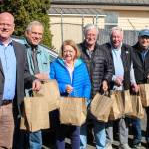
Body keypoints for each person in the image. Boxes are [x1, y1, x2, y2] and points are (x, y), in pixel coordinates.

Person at [0, 12, 41, 149]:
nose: (5, 27)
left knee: (6, 145)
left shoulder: (20, 49)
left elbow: (23, 72)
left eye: (8, 24)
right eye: (2, 24)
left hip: (10, 107)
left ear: (13, 27)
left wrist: (34, 79)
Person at [102, 26, 138, 149]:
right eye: (114, 37)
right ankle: (108, 142)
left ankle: (123, 143)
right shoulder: (104, 49)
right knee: (110, 116)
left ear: (122, 37)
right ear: (110, 37)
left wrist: (133, 82)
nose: (116, 39)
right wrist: (113, 78)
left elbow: (131, 68)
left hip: (125, 88)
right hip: (110, 88)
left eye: (118, 37)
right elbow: (102, 69)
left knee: (124, 116)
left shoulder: (128, 49)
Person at [50, 39, 91, 149]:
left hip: (77, 103)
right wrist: (63, 87)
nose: (68, 53)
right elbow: (50, 83)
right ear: (62, 52)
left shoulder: (81, 65)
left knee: (75, 133)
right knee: (60, 134)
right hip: (61, 103)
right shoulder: (55, 65)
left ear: (75, 52)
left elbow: (87, 84)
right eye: (65, 51)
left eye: (70, 51)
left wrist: (85, 99)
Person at [78, 24, 113, 149]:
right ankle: (81, 146)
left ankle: (100, 146)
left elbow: (110, 69)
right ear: (85, 35)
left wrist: (105, 80)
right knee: (81, 122)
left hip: (98, 93)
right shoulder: (77, 49)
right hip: (81, 94)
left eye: (93, 35)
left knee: (99, 122)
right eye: (89, 34)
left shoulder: (103, 51)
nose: (91, 37)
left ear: (97, 36)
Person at [19, 21, 51, 149]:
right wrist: (36, 77)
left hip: (38, 97)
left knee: (36, 132)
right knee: (20, 131)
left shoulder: (44, 52)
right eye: (34, 33)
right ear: (27, 33)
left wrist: (46, 76)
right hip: (22, 95)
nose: (37, 36)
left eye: (40, 34)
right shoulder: (18, 49)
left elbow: (49, 74)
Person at [131, 29, 149, 149]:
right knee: (137, 116)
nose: (145, 40)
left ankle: (148, 138)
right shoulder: (132, 50)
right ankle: (137, 139)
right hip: (136, 87)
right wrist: (133, 83)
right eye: (143, 38)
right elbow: (129, 67)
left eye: (147, 38)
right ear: (138, 38)